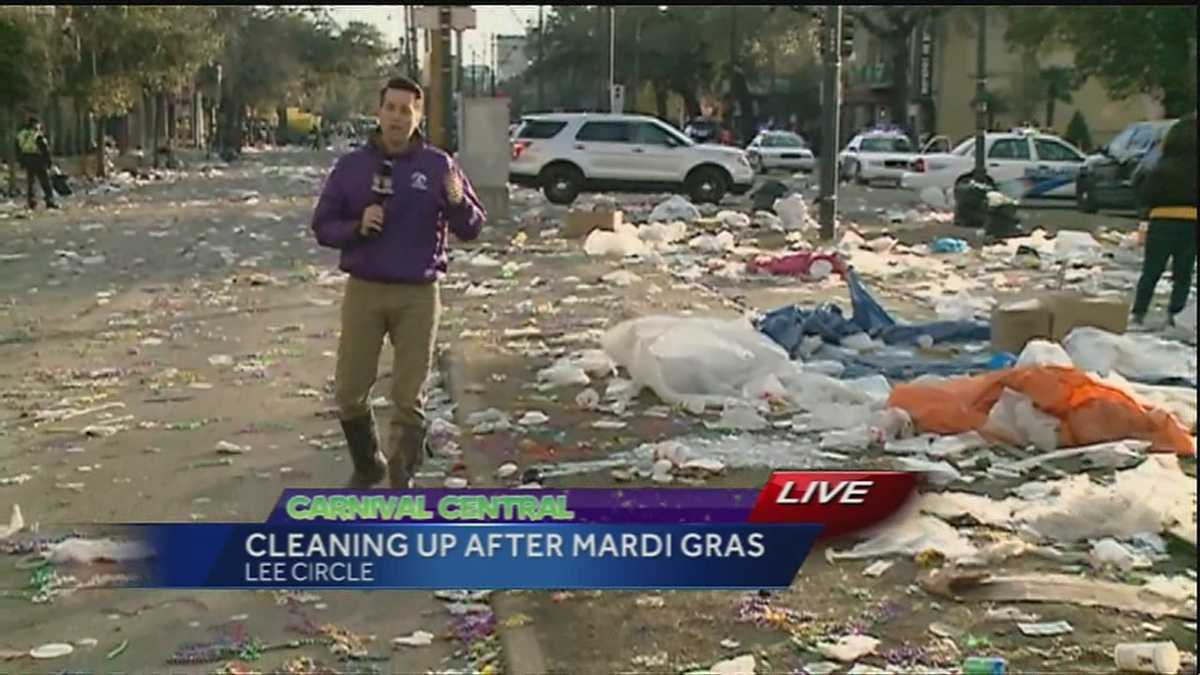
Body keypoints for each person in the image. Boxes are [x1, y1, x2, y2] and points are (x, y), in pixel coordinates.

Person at [311, 75, 486, 489]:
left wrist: (458, 201)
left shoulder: (439, 165)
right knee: (350, 389)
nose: (396, 117)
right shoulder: (352, 168)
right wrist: (357, 225)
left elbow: (472, 227)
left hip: (418, 293)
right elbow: (323, 226)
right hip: (365, 289)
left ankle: (401, 478)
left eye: (405, 110)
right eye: (390, 108)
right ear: (379, 112)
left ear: (417, 116)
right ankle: (368, 462)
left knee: (409, 396)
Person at [1131, 113, 1197, 327]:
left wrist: (1144, 216)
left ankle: (1139, 312)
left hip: (1162, 221)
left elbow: (1145, 194)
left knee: (1152, 270)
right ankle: (1174, 313)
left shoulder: (1161, 166)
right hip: (1192, 222)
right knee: (1183, 273)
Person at [14, 116, 58, 210]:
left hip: (27, 159)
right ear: (34, 124)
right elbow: (45, 149)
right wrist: (49, 162)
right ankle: (49, 201)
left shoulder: (21, 134)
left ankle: (31, 202)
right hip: (38, 159)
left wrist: (21, 161)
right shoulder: (37, 135)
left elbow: (17, 148)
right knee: (45, 182)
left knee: (31, 182)